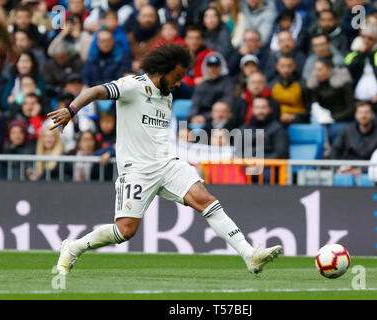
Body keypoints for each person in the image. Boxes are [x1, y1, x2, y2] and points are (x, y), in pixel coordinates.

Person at [49, 44, 282, 275]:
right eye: (177, 76)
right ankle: (74, 247)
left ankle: (249, 254)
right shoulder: (132, 86)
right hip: (137, 171)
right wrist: (71, 110)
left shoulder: (167, 95)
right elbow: (94, 91)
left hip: (168, 163)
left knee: (206, 200)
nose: (179, 82)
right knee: (125, 231)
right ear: (161, 70)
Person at [307, 58, 355, 143]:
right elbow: (314, 105)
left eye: (320, 70)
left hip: (341, 119)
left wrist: (332, 118)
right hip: (322, 120)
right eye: (316, 70)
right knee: (315, 121)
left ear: (330, 69)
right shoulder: (315, 85)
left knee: (336, 130)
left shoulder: (343, 83)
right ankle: (324, 148)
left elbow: (351, 108)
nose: (317, 73)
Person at [188, 53, 234, 122]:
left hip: (218, 119)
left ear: (221, 67)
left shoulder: (228, 84)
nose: (213, 69)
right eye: (210, 66)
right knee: (183, 127)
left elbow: (226, 106)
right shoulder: (201, 85)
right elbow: (195, 105)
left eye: (216, 66)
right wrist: (192, 117)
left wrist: (205, 117)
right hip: (198, 119)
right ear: (206, 68)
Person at [271, 53, 308, 126]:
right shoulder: (271, 85)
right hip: (277, 121)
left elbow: (309, 110)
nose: (286, 70)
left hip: (298, 121)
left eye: (289, 66)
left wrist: (295, 117)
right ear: (277, 67)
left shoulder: (303, 85)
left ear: (294, 67)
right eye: (282, 66)